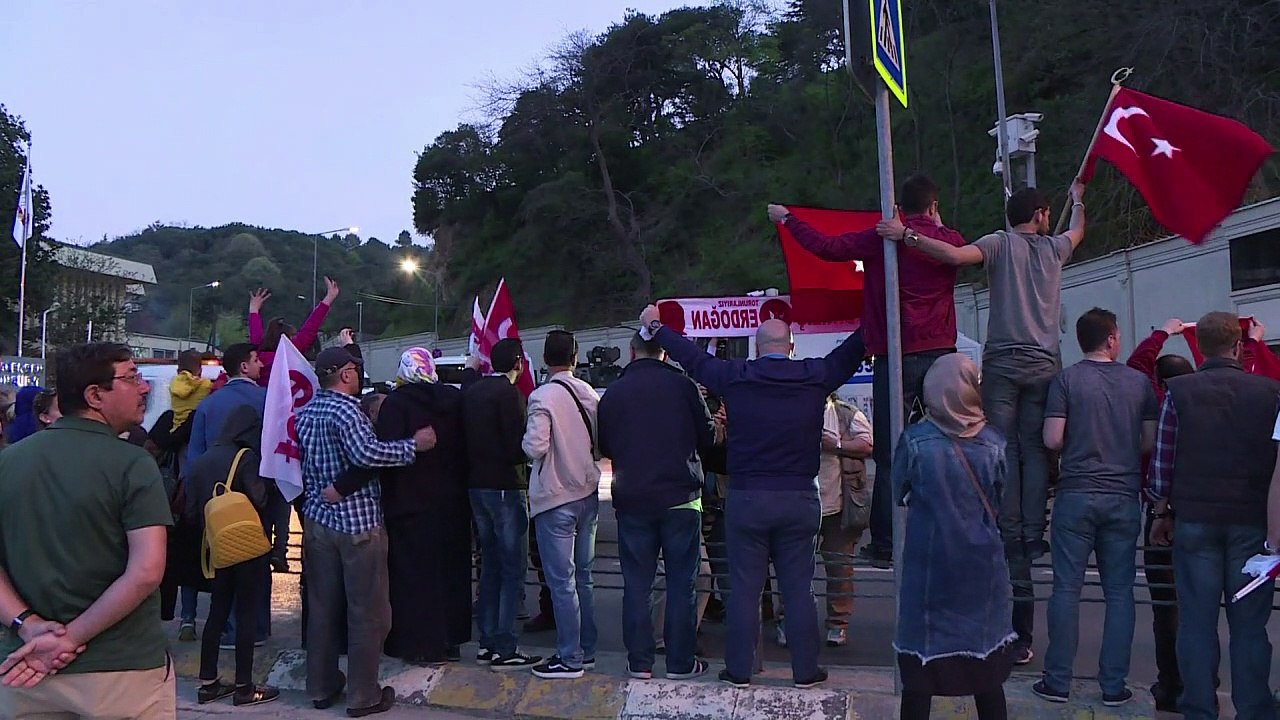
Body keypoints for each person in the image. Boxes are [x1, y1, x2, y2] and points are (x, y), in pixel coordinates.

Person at [882, 180, 1087, 665]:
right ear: (1039, 213)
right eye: (1047, 211)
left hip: (1003, 361)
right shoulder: (1055, 249)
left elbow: (952, 257)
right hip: (1044, 360)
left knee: (997, 442)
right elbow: (1078, 231)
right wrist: (1078, 198)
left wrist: (905, 236)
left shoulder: (998, 243)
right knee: (1036, 446)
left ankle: (1005, 511)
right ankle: (1031, 524)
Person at [639, 305, 866, 688]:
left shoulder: (734, 376)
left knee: (744, 589)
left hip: (747, 498)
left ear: (757, 350)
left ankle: (739, 671)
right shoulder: (814, 376)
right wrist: (881, 305)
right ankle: (805, 670)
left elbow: (691, 356)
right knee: (798, 589)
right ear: (791, 347)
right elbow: (854, 349)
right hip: (799, 497)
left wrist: (656, 326)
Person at [769, 174, 964, 569]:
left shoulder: (882, 240)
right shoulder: (949, 243)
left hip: (895, 354)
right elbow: (959, 252)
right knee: (948, 446)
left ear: (898, 210)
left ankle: (887, 541)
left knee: (890, 453)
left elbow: (826, 247)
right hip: (940, 354)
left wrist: (788, 219)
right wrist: (935, 226)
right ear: (932, 206)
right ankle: (951, 530)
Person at [0, 343, 175, 718]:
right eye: (131, 377)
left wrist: (27, 625)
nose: (144, 388)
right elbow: (145, 571)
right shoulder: (133, 464)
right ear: (95, 395)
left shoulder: (8, 462)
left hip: (23, 670)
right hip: (120, 670)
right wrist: (71, 639)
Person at [1149, 311, 1279, 720]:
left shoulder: (1179, 391)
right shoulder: (1270, 392)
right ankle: (1254, 708)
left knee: (1196, 622)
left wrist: (1160, 509)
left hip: (1194, 518)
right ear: (1238, 346)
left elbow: (1163, 459)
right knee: (1250, 626)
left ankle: (1199, 707)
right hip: (1252, 521)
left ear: (1200, 348)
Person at [296, 346, 437, 718]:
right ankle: (363, 695)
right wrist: (414, 445)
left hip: (317, 520)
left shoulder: (307, 411)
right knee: (368, 612)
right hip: (357, 524)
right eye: (355, 369)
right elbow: (367, 455)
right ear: (343, 374)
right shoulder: (346, 411)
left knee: (323, 609)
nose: (358, 374)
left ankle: (322, 686)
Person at [1034, 309, 1157, 707]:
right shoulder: (1139, 384)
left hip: (1076, 494)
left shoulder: (1066, 380)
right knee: (1120, 592)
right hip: (1122, 497)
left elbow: (1052, 439)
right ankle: (1113, 686)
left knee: (1066, 589)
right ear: (1111, 339)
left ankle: (1056, 682)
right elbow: (1148, 443)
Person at [891, 353, 1015, 720]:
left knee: (920, 673)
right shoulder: (995, 442)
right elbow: (999, 499)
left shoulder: (915, 441)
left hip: (929, 567)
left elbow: (897, 492)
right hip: (982, 567)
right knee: (986, 667)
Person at [598, 333, 714, 681]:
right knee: (682, 582)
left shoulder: (615, 392)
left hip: (633, 498)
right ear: (664, 353)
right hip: (681, 497)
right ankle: (680, 663)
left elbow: (604, 444)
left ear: (632, 352)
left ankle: (639, 662)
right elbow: (707, 436)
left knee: (637, 583)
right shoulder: (684, 386)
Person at [375, 348, 473, 665]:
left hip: (408, 504)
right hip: (452, 502)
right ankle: (451, 640)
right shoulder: (454, 401)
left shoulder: (396, 405)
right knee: (452, 573)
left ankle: (418, 644)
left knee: (412, 577)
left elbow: (384, 454)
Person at [186, 404, 279, 707]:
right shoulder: (245, 457)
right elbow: (259, 498)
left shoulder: (201, 461)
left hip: (216, 548)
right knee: (247, 615)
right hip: (247, 548)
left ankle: (208, 683)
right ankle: (244, 687)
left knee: (217, 613)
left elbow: (191, 509)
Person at [1124, 318, 1195, 712]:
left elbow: (1137, 364)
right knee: (1199, 606)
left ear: (1160, 383)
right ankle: (1201, 685)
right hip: (1204, 512)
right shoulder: (1208, 403)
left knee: (1166, 605)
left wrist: (1163, 332)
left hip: (1160, 513)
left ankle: (1170, 685)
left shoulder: (1159, 402)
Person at [522, 330, 601, 680]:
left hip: (555, 498)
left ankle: (569, 657)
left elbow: (535, 447)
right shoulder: (588, 393)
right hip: (587, 493)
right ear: (575, 356)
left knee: (561, 581)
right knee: (583, 578)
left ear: (545, 359)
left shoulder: (542, 397)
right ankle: (588, 650)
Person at [182, 343, 271, 646]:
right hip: (256, 493)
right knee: (258, 557)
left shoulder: (209, 403)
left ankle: (227, 626)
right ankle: (257, 627)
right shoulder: (266, 399)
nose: (261, 365)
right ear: (244, 367)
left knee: (223, 560)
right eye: (257, 360)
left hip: (215, 499)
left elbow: (194, 456)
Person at [463, 338, 542, 670]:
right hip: (505, 487)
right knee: (513, 568)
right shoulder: (510, 395)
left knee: (490, 565)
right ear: (519, 364)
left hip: (475, 486)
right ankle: (506, 645)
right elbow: (515, 445)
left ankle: (487, 641)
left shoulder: (473, 391)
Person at [777, 393, 873, 649]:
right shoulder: (791, 412)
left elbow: (866, 445)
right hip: (799, 505)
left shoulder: (846, 413)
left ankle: (837, 624)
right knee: (794, 569)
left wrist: (836, 445)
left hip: (839, 508)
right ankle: (789, 621)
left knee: (840, 569)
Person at [247, 278, 338, 388]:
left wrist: (253, 310)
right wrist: (328, 299)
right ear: (288, 338)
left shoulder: (257, 355)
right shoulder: (290, 354)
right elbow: (310, 327)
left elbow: (255, 334)